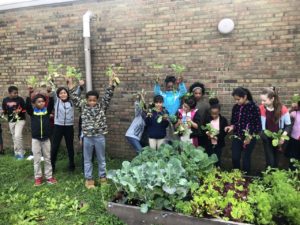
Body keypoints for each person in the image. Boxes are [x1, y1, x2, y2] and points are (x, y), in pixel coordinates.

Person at [68, 77, 116, 189]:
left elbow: (108, 96)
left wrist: (111, 84)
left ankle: (103, 178)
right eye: (90, 100)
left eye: (94, 100)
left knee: (101, 159)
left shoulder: (102, 107)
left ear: (97, 100)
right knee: (87, 159)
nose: (92, 102)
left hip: (100, 137)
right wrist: (70, 86)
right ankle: (89, 180)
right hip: (87, 138)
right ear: (86, 100)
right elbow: (75, 98)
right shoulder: (83, 107)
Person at [225, 87, 262, 174]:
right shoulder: (236, 107)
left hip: (250, 137)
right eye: (235, 100)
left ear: (245, 97)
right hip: (237, 136)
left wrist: (249, 136)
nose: (236, 102)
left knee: (246, 158)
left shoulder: (254, 108)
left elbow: (258, 126)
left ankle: (246, 179)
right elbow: (234, 121)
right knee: (235, 158)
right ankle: (236, 176)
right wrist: (231, 127)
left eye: (238, 99)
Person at [26, 92, 57, 186]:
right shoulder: (32, 112)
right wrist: (29, 93)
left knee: (48, 158)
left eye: (43, 101)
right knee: (37, 159)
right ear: (34, 103)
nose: (41, 103)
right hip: (36, 140)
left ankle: (49, 177)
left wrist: (50, 94)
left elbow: (51, 104)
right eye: (39, 102)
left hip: (46, 139)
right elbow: (27, 106)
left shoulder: (46, 111)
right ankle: (38, 177)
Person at [50, 84, 82, 172]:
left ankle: (71, 165)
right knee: (55, 147)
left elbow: (77, 94)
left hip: (69, 127)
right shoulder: (56, 101)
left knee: (70, 146)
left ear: (67, 94)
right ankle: (52, 166)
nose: (63, 94)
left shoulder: (71, 101)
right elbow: (53, 87)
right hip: (58, 127)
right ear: (58, 95)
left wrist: (80, 86)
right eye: (61, 93)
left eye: (64, 93)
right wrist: (51, 80)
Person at [259, 87, 291, 168]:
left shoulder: (283, 109)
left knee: (276, 162)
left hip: (279, 139)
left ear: (272, 99)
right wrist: (262, 133)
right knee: (270, 162)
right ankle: (267, 178)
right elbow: (258, 124)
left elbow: (288, 125)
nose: (262, 103)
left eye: (264, 100)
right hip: (267, 138)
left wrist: (283, 137)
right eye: (261, 100)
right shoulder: (261, 108)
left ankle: (273, 178)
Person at [2, 86, 26, 159]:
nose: (16, 94)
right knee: (14, 137)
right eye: (14, 93)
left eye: (17, 93)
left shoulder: (20, 99)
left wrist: (20, 111)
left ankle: (21, 153)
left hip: (20, 120)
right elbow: (4, 110)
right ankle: (17, 154)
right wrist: (3, 112)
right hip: (11, 120)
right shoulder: (5, 100)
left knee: (17, 136)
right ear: (9, 93)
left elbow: (25, 109)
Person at [202, 98, 228, 167]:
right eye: (212, 114)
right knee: (209, 159)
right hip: (208, 143)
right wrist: (207, 133)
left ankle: (217, 172)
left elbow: (224, 132)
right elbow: (203, 128)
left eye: (216, 114)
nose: (214, 115)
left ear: (219, 112)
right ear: (210, 112)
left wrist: (216, 137)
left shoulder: (223, 120)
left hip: (218, 143)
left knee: (218, 159)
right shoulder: (207, 119)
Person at [286, 98, 300, 170]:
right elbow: (285, 114)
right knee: (293, 159)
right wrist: (292, 108)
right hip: (295, 140)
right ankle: (291, 174)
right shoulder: (295, 113)